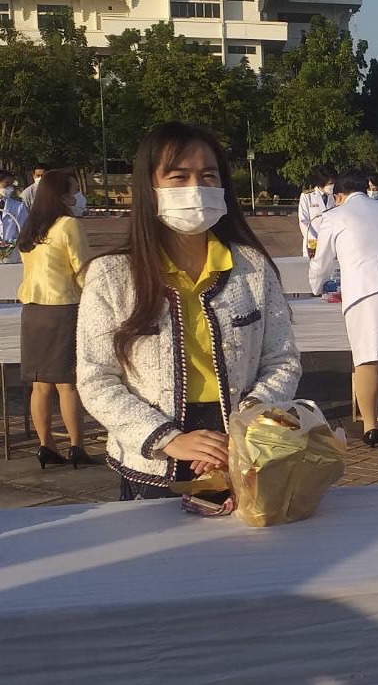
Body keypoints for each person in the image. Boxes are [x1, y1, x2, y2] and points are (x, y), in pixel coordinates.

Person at [77, 122, 301, 499]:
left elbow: (283, 359)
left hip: (242, 447)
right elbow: (96, 378)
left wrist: (247, 424)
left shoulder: (251, 268)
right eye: (179, 177)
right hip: (153, 458)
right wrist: (169, 440)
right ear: (150, 188)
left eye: (208, 176)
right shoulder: (113, 276)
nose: (195, 188)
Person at [309, 169, 378, 445]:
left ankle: (370, 426)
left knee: (367, 358)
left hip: (365, 291)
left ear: (339, 196)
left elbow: (322, 262)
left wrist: (315, 287)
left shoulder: (333, 216)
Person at [16, 170, 93, 468]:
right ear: (61, 195)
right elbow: (83, 268)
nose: (76, 197)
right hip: (63, 307)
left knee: (39, 385)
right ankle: (76, 446)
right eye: (73, 191)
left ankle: (46, 444)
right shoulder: (68, 225)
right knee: (67, 383)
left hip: (32, 310)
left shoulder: (31, 228)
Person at [298, 166, 336, 257]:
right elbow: (303, 221)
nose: (331, 186)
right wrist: (314, 240)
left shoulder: (335, 197)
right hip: (313, 245)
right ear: (321, 183)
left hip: (330, 244)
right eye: (329, 184)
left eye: (333, 183)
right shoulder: (307, 196)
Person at [0, 171, 29, 260]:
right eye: (6, 184)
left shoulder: (18, 206)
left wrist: (12, 242)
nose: (10, 188)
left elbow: (25, 229)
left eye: (11, 184)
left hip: (11, 254)